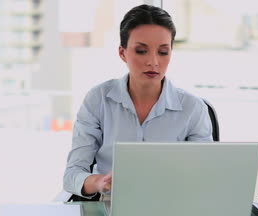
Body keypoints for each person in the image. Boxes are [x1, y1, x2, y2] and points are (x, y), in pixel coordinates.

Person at [63, 4, 213, 200]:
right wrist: (99, 182)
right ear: (122, 53)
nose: (153, 62)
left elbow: (206, 176)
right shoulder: (98, 99)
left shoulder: (193, 108)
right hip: (111, 205)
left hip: (173, 207)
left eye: (163, 52)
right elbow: (72, 175)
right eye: (141, 51)